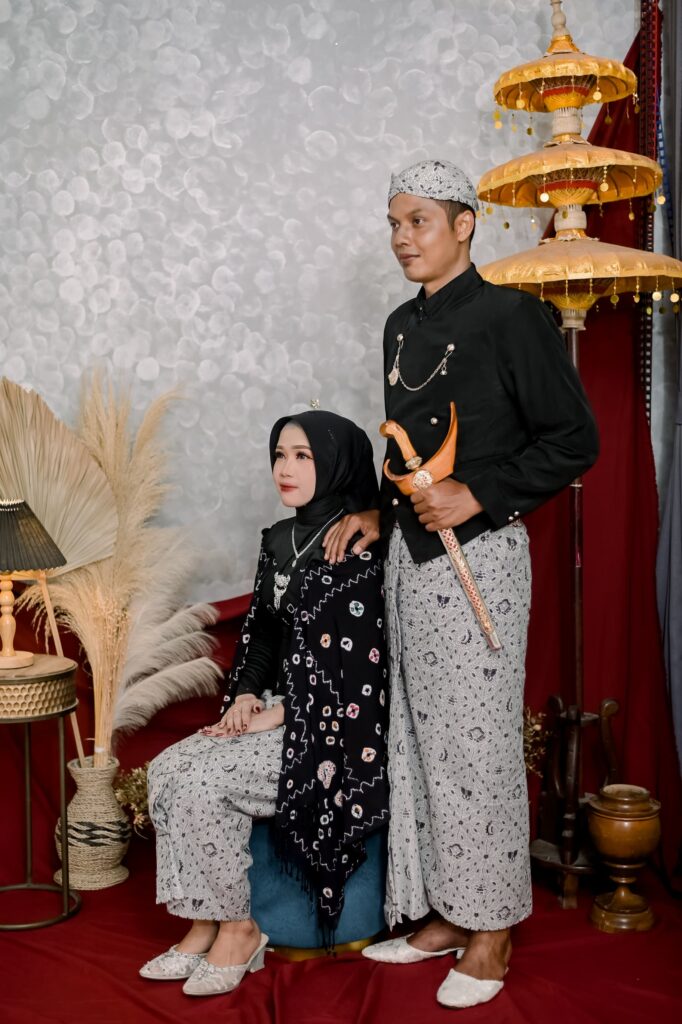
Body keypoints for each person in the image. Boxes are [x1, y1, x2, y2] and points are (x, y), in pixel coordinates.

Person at [323, 159, 599, 1009]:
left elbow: (574, 439)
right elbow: (401, 447)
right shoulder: (400, 325)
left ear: (464, 224)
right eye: (394, 223)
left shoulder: (512, 315)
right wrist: (378, 513)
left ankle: (492, 930)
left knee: (477, 747)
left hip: (480, 558)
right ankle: (447, 910)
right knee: (419, 740)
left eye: (419, 221)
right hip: (409, 560)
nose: (402, 238)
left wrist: (476, 493)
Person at [140, 410, 389, 997]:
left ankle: (239, 930)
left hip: (334, 732)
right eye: (280, 454)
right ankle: (202, 924)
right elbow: (263, 637)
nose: (285, 468)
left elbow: (365, 666)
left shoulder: (357, 542)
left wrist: (285, 712)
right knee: (168, 768)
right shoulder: (279, 539)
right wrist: (247, 695)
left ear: (337, 464)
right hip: (279, 713)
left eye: (303, 456)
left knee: (205, 783)